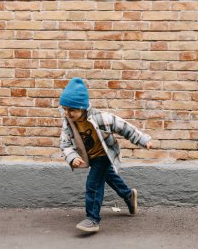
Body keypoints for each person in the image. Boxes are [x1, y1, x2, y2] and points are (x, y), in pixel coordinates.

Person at [59, 77, 153, 232]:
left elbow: (124, 127)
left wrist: (143, 139)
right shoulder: (68, 122)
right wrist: (72, 157)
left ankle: (92, 219)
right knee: (108, 176)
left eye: (72, 110)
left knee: (93, 184)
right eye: (65, 109)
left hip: (104, 155)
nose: (67, 113)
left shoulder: (101, 117)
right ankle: (128, 195)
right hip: (91, 157)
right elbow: (65, 143)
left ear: (82, 107)